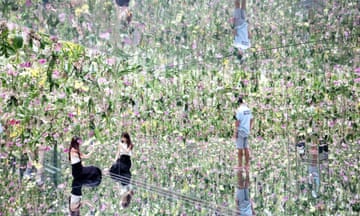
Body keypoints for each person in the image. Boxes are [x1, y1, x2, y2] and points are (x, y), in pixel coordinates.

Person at [69, 136, 102, 211]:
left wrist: (93, 149)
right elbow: (73, 208)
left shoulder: (75, 151)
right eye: (79, 143)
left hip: (78, 172)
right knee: (92, 173)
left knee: (93, 171)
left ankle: (96, 177)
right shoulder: (73, 151)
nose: (79, 145)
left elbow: (86, 156)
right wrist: (85, 203)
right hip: (77, 172)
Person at [109, 132, 134, 208]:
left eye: (121, 201)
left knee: (114, 174)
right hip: (122, 159)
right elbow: (118, 153)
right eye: (123, 201)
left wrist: (121, 146)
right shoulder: (130, 194)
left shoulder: (130, 144)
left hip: (126, 159)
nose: (122, 139)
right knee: (114, 169)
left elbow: (127, 151)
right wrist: (114, 161)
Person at [234, 96, 254, 169]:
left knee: (240, 149)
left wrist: (235, 132)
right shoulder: (248, 109)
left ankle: (239, 165)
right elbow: (252, 119)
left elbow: (237, 122)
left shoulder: (239, 110)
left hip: (241, 131)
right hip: (246, 131)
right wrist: (249, 128)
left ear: (239, 103)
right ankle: (247, 165)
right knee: (246, 148)